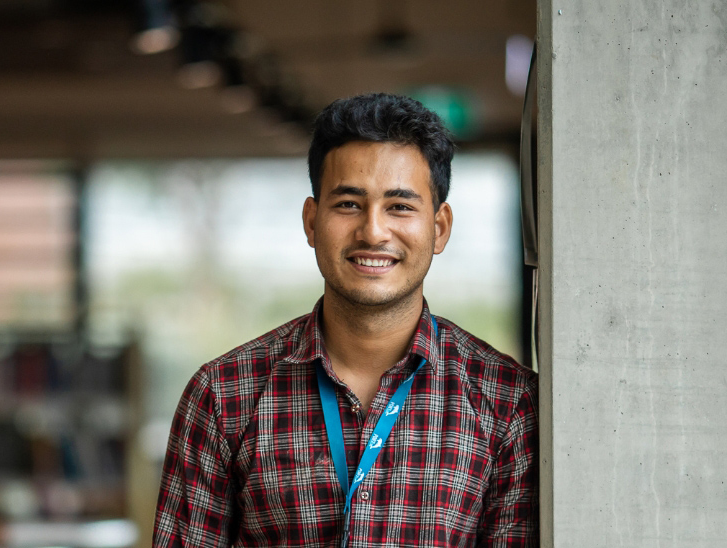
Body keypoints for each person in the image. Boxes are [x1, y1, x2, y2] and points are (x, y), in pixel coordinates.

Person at [152, 93, 538, 547]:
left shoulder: (507, 404)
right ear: (312, 222)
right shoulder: (223, 395)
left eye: (400, 207)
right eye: (349, 204)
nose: (373, 231)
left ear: (438, 229)